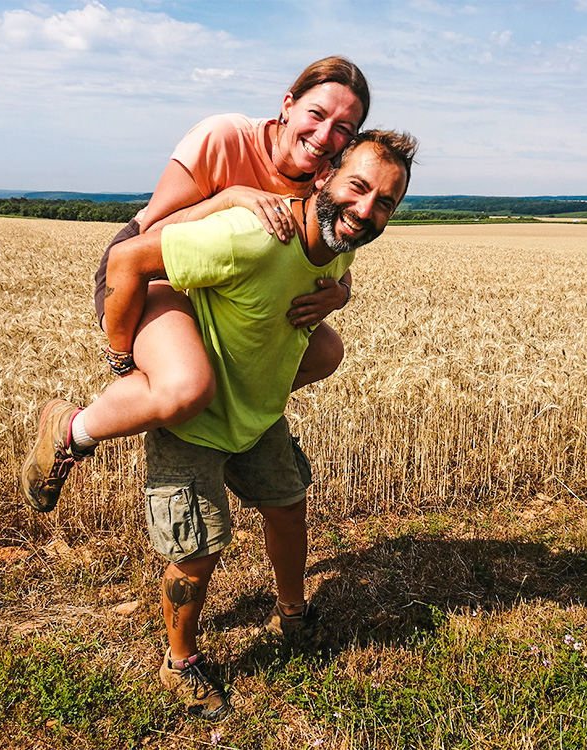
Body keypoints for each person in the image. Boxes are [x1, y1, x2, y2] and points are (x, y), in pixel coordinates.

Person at [96, 130, 414, 720]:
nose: (366, 210)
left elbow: (332, 272)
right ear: (323, 177)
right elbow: (127, 259)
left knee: (289, 506)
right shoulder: (251, 237)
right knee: (196, 549)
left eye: (386, 203)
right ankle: (180, 663)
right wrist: (122, 362)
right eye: (358, 187)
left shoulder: (340, 243)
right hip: (194, 421)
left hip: (260, 418)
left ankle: (293, 614)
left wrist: (338, 296)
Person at [19, 57, 371, 514]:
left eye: (344, 128)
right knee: (186, 386)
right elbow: (146, 239)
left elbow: (333, 263)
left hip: (222, 295)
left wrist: (341, 293)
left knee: (325, 351)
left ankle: (225, 426)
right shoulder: (224, 136)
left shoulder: (329, 182)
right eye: (317, 115)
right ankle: (71, 429)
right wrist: (228, 199)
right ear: (288, 104)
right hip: (153, 275)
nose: (325, 137)